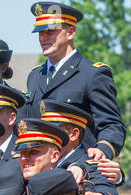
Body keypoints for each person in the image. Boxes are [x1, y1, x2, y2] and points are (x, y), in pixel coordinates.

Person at [24, 2, 126, 161]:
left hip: (78, 170)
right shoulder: (35, 76)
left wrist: (101, 151)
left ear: (71, 32)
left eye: (50, 32)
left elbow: (112, 126)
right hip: (39, 171)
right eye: (40, 32)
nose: (43, 38)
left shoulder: (93, 74)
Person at [39, 99, 127, 195]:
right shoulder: (38, 162)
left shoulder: (93, 165)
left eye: (54, 131)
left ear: (74, 134)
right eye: (44, 131)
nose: (46, 136)